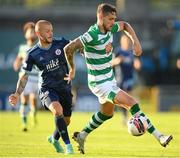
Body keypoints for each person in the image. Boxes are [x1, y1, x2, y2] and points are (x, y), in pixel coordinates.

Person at [64, 3, 173, 154]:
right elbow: (68, 48)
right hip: (99, 83)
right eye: (110, 19)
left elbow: (125, 25)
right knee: (133, 104)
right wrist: (72, 68)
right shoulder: (91, 34)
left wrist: (136, 42)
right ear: (100, 17)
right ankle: (160, 136)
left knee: (107, 114)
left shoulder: (111, 27)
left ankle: (82, 135)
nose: (113, 22)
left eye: (114, 19)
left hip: (109, 79)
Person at [9, 20, 74, 154]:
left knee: (66, 121)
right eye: (47, 31)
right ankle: (69, 147)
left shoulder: (60, 42)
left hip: (65, 87)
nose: (51, 34)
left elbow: (76, 45)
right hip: (47, 89)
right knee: (57, 110)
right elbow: (24, 76)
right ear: (39, 33)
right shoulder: (32, 53)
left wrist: (87, 51)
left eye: (51, 30)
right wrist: (17, 94)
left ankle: (54, 139)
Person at [13, 22, 39, 131]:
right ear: (26, 35)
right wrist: (17, 63)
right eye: (30, 32)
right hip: (25, 78)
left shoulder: (39, 47)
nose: (32, 33)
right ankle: (24, 124)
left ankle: (33, 115)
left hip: (36, 79)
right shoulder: (23, 48)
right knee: (24, 100)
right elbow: (18, 60)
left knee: (33, 101)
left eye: (34, 32)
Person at [111, 34, 141, 125]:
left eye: (127, 41)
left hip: (129, 79)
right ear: (121, 42)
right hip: (120, 78)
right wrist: (118, 60)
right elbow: (111, 63)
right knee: (123, 100)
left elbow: (137, 64)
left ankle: (133, 116)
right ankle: (126, 115)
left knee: (129, 96)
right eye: (124, 41)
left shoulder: (131, 53)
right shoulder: (118, 51)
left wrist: (137, 64)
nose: (126, 43)